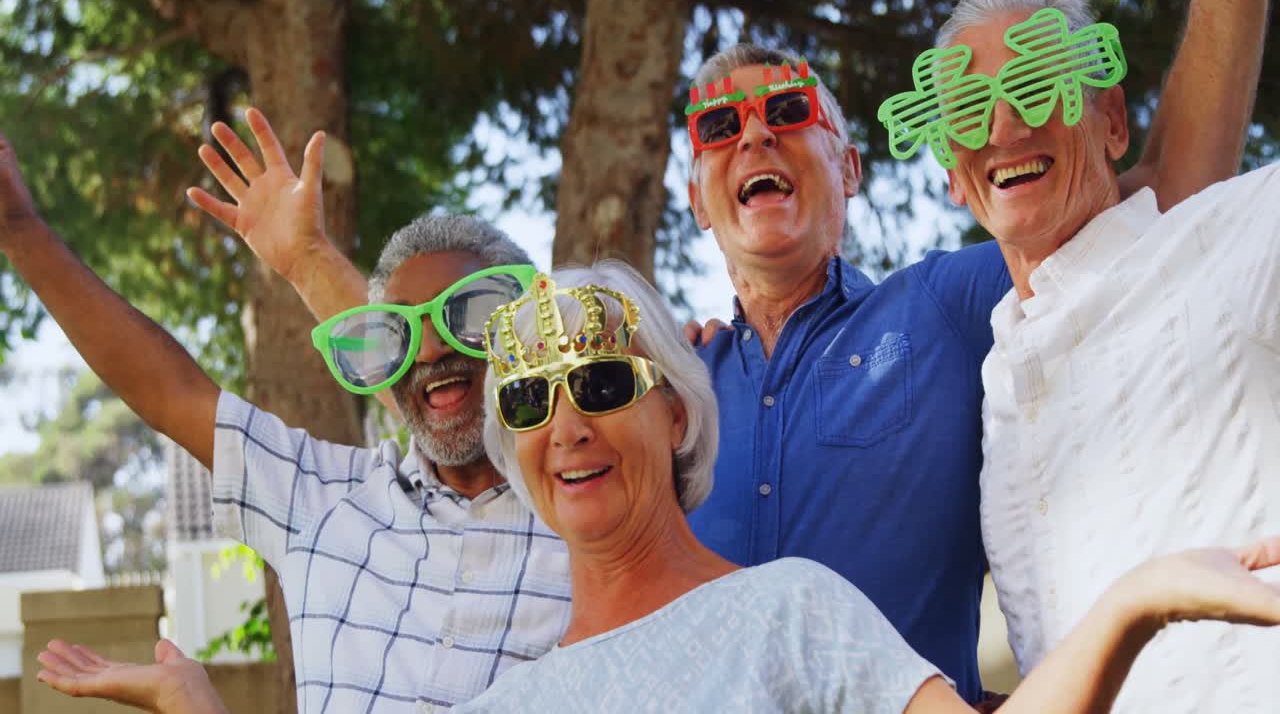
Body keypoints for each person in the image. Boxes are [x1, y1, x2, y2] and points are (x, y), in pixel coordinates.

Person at [35, 263, 1280, 714]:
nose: (560, 424)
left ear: (673, 409)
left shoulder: (791, 610)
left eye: (594, 382)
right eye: (524, 399)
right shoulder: (504, 706)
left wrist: (1137, 600)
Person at [681, 0, 1268, 701]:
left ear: (850, 169)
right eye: (719, 125)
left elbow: (1147, 207)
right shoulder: (665, 390)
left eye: (786, 112)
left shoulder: (945, 310)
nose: (753, 139)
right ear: (693, 199)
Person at [0, 114, 573, 712]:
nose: (430, 349)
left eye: (469, 313)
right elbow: (171, 391)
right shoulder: (325, 500)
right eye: (400, 332)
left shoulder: (595, 510)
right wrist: (19, 229)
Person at [896, 0, 1278, 710]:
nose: (1005, 126)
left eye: (1037, 85)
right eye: (970, 111)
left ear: (1109, 122)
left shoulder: (1230, 240)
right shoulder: (997, 385)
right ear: (951, 173)